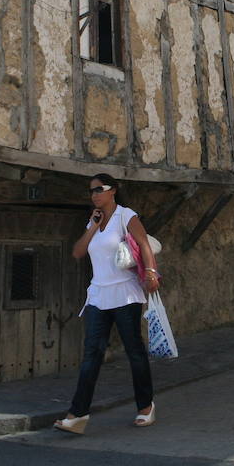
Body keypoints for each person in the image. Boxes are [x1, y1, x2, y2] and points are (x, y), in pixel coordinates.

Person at [54, 173, 160, 435]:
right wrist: (92, 226)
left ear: (113, 191)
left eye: (99, 189)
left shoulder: (126, 216)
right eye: (91, 191)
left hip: (125, 295)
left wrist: (151, 272)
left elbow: (144, 243)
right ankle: (77, 415)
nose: (94, 195)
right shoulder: (93, 220)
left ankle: (146, 407)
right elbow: (78, 252)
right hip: (98, 296)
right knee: (91, 354)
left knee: (134, 351)